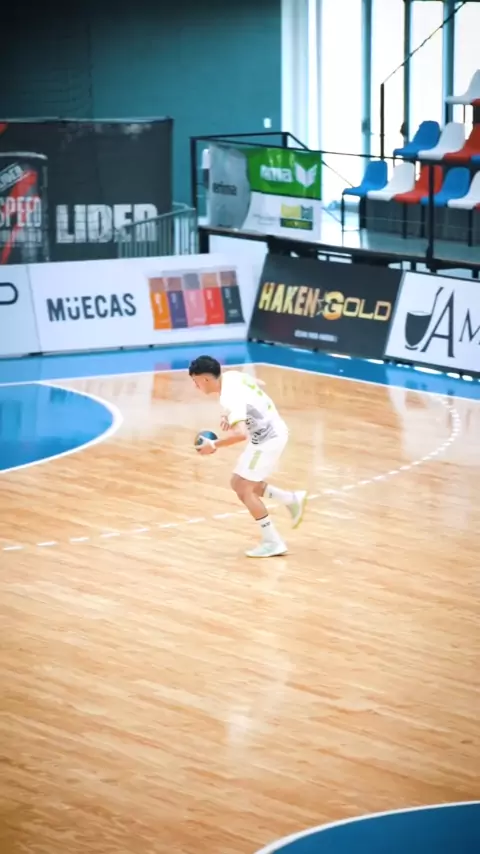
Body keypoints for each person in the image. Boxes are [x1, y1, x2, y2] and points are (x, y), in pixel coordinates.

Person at [188, 355, 307, 558]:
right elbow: (255, 384)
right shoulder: (232, 376)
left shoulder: (229, 398)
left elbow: (240, 434)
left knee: (244, 489)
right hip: (266, 433)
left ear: (206, 378)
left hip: (269, 439)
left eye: (196, 381)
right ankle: (290, 499)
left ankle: (273, 542)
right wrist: (230, 415)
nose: (195, 386)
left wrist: (213, 445)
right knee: (238, 482)